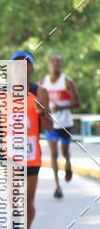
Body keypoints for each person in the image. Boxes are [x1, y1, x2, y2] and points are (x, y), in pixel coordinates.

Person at [0, 51, 52, 229]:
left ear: (31, 69)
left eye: (25, 65)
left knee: (29, 200)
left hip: (31, 154)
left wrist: (41, 112)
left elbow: (49, 127)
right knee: (15, 196)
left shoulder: (39, 92)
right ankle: (17, 219)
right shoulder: (1, 94)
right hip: (9, 154)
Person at [41, 54, 81, 199]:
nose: (55, 64)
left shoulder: (67, 81)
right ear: (49, 64)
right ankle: (57, 186)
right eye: (53, 61)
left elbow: (77, 103)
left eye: (58, 61)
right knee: (53, 153)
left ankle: (68, 163)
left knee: (64, 152)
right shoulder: (43, 82)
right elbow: (36, 100)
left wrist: (61, 107)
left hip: (65, 123)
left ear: (61, 64)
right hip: (50, 124)